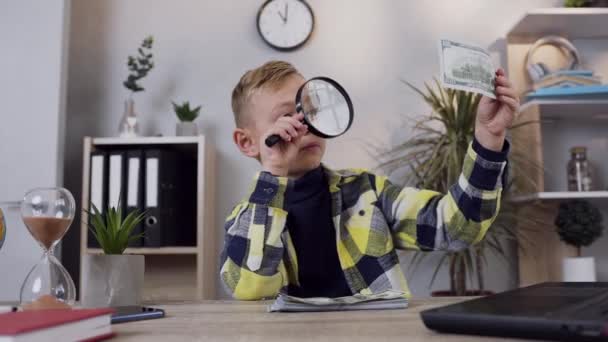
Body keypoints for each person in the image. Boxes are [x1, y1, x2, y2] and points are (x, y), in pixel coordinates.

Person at [220, 60, 518, 300]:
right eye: (289, 117)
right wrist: (273, 171)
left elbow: (457, 227)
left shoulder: (367, 192)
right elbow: (251, 288)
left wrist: (488, 140)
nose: (308, 126)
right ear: (247, 143)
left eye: (310, 111)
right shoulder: (243, 222)